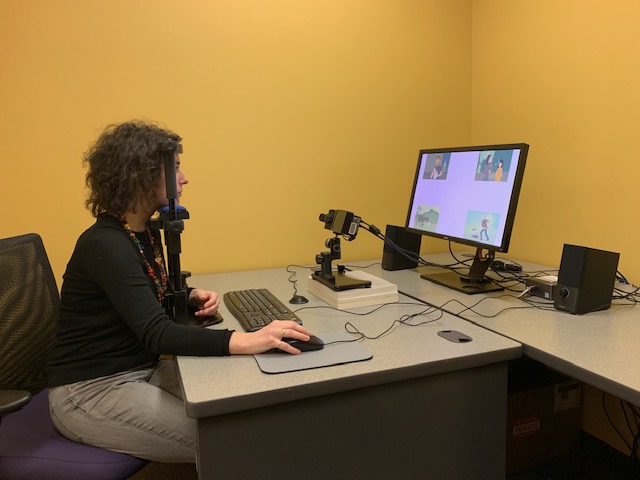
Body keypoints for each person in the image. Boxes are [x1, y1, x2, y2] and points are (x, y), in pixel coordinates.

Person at [46, 120, 311, 463]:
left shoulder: (141, 232)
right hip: (91, 389)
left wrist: (186, 295)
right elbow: (157, 334)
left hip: (142, 368)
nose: (184, 179)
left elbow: (138, 295)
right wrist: (246, 340)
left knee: (242, 408)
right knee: (229, 443)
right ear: (139, 176)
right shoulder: (106, 244)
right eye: (174, 169)